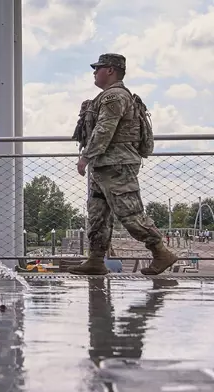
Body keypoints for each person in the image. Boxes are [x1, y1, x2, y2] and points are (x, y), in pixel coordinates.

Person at [70, 53, 178, 276]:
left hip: (116, 165)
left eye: (98, 68)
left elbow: (104, 130)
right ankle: (95, 260)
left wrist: (85, 157)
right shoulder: (109, 96)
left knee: (130, 214)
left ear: (110, 70)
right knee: (97, 216)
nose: (94, 72)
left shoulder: (115, 97)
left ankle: (161, 252)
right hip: (105, 166)